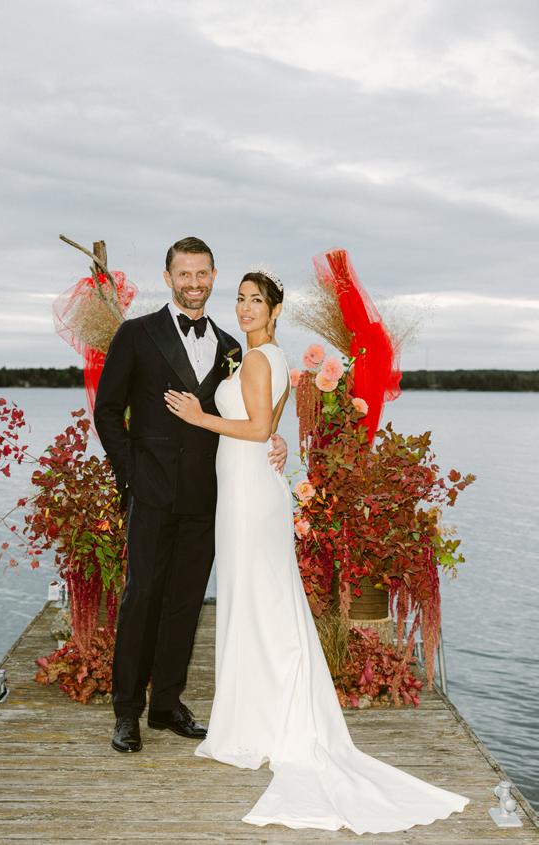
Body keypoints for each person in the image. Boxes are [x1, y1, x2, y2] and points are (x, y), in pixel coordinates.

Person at [163, 269, 471, 834]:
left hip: (248, 493)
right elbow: (269, 426)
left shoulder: (259, 360)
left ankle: (261, 721)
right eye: (241, 299)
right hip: (248, 487)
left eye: (257, 301)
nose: (245, 308)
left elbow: (259, 429)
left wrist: (198, 416)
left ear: (275, 309)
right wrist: (269, 435)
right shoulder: (264, 358)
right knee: (259, 601)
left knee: (258, 601)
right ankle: (257, 714)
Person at [93, 237, 288, 754]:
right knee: (141, 599)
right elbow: (107, 411)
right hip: (151, 492)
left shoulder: (230, 347)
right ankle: (127, 711)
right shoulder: (136, 334)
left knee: (185, 603)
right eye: (185, 273)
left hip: (209, 496)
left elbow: (249, 414)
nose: (194, 283)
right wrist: (131, 474)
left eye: (202, 273)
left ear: (213, 276)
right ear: (169, 278)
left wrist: (275, 438)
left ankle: (166, 705)